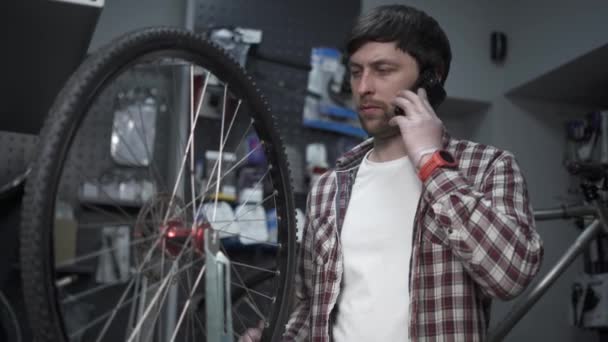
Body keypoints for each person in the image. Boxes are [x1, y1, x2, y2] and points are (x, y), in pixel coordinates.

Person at [242, 4, 544, 342]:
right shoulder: (329, 186)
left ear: (432, 78)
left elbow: (511, 275)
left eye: (382, 70)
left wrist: (431, 163)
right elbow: (312, 305)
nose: (363, 87)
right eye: (356, 72)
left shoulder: (488, 167)